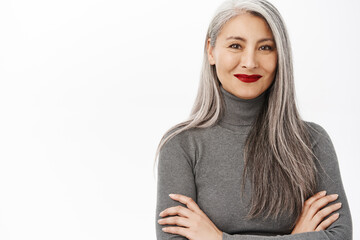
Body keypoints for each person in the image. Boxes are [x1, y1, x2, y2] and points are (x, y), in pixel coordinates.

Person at [154, 0, 352, 239]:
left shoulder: (311, 141)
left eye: (265, 48)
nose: (249, 62)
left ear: (280, 56)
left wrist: (218, 238)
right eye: (236, 45)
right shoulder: (181, 145)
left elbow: (340, 236)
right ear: (211, 51)